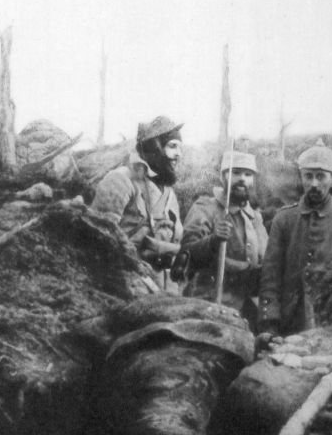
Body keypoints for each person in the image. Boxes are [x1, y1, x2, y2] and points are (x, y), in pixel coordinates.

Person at [258, 142, 332, 337]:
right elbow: (271, 275)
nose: (314, 184)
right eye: (308, 176)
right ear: (300, 177)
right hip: (288, 321)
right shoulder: (284, 219)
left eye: (321, 176)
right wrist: (270, 322)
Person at [89, 115, 183, 289]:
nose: (178, 154)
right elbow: (98, 238)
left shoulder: (170, 194)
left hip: (165, 289)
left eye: (180, 148)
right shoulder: (120, 180)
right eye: (172, 146)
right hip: (124, 284)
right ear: (154, 147)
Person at [179, 149, 268, 328]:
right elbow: (186, 252)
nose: (242, 178)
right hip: (210, 301)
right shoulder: (205, 208)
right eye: (235, 173)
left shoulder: (256, 218)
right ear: (223, 176)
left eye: (248, 174)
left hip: (247, 304)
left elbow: (265, 260)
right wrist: (213, 241)